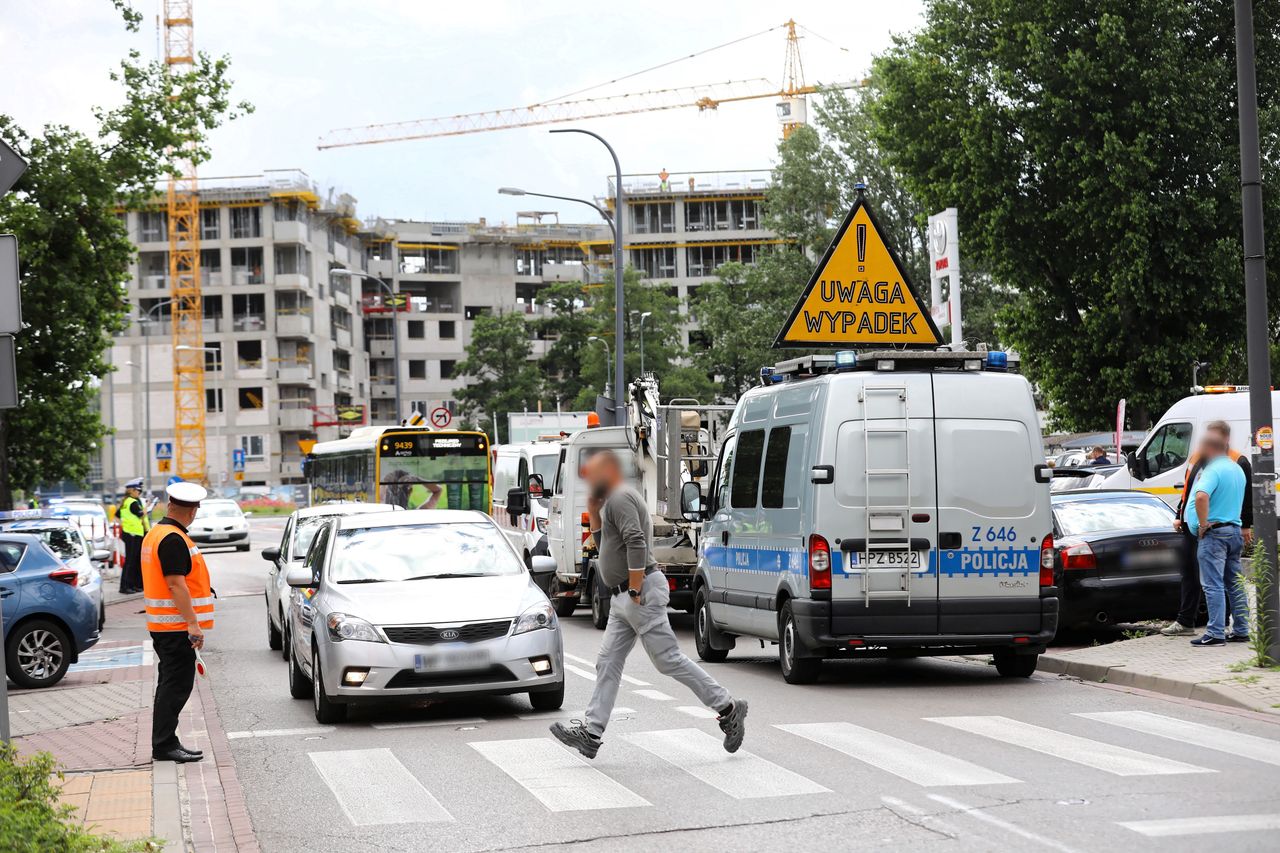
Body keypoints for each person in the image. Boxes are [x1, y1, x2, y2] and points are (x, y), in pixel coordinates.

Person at [550, 451, 746, 759]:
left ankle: (728, 707)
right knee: (608, 662)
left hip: (638, 591)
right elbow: (605, 550)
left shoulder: (621, 497)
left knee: (667, 660)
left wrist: (636, 587)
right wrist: (594, 512)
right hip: (621, 598)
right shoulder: (610, 501)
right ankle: (591, 732)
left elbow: (637, 541)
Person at [142, 481, 215, 762]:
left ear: (170, 504)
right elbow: (176, 585)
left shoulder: (157, 533)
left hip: (165, 626)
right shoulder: (173, 539)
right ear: (194, 510)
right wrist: (193, 624)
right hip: (175, 628)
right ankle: (163, 745)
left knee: (170, 684)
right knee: (175, 686)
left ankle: (167, 741)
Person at [1162, 420, 1253, 637]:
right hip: (1200, 527)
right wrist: (1180, 515)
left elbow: (1242, 496)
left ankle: (1218, 628)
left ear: (1224, 440)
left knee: (1216, 581)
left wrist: (1245, 525)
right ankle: (1190, 621)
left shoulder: (1236, 461)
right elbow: (1190, 490)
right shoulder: (1199, 459)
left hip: (1213, 528)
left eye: (1212, 439)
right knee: (1194, 573)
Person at [118, 478, 151, 594]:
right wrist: (147, 506)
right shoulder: (132, 502)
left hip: (133, 533)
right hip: (132, 534)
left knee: (134, 561)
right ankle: (126, 587)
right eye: (137, 490)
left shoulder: (127, 501)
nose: (139, 492)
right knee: (131, 562)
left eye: (140, 491)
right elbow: (141, 514)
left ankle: (133, 585)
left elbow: (118, 516)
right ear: (131, 490)